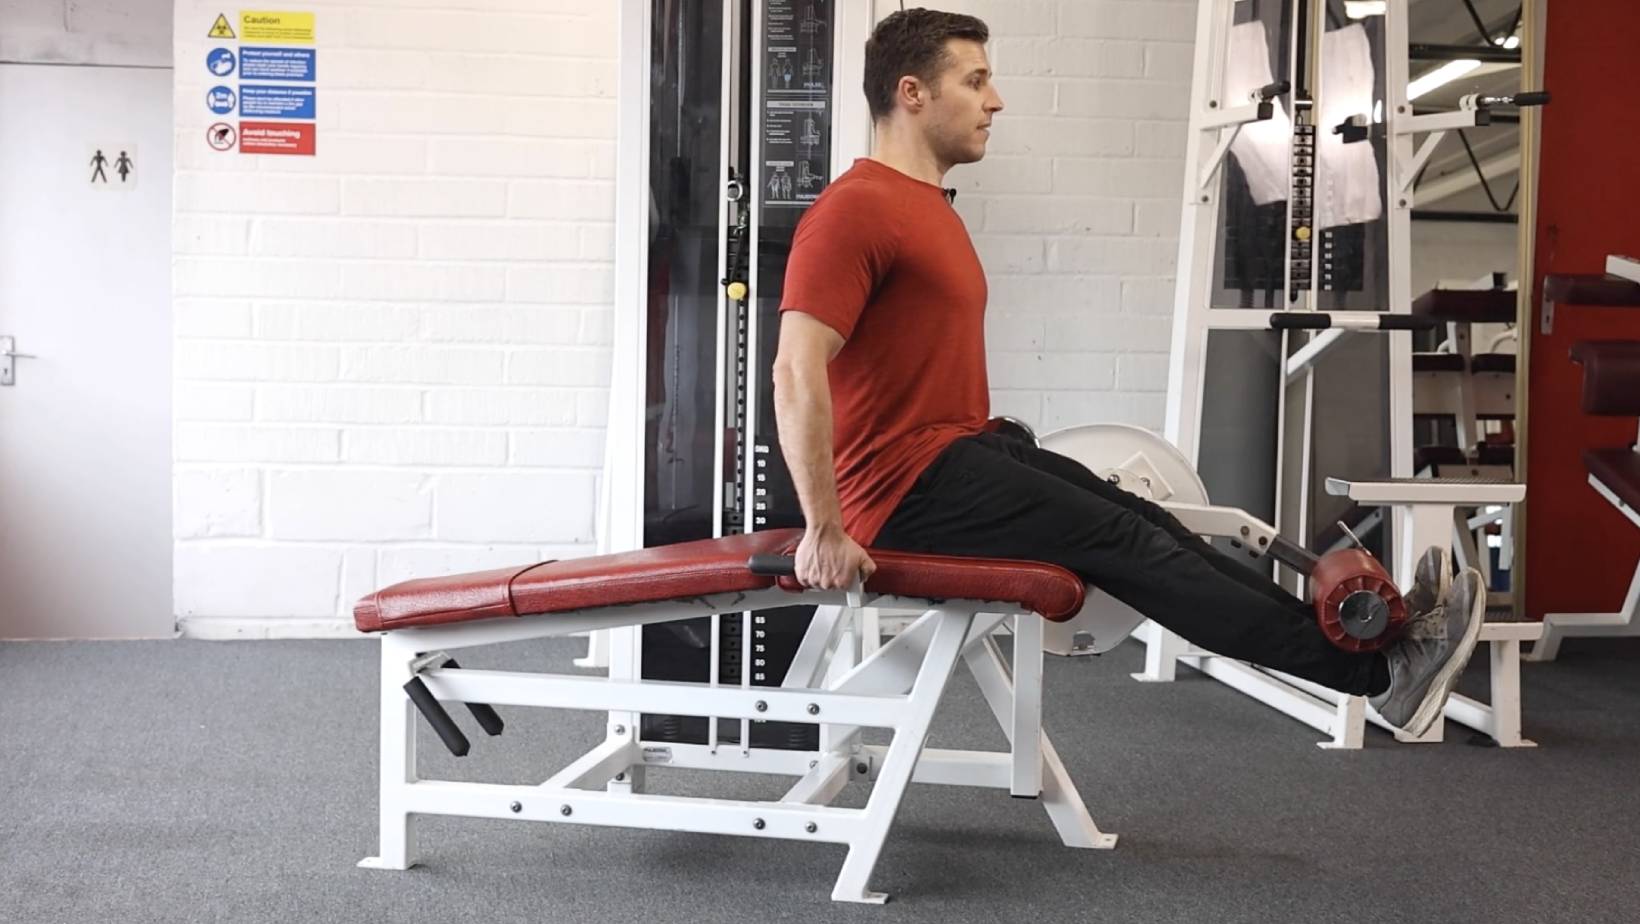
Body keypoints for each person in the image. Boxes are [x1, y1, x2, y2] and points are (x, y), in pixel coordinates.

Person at [770, 8, 1485, 737]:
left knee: (1152, 521)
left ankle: (1382, 647)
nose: (996, 100)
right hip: (902, 491)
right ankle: (1378, 677)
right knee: (1133, 546)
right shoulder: (856, 211)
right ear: (913, 92)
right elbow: (795, 370)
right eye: (975, 81)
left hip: (955, 454)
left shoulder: (926, 208)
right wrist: (824, 528)